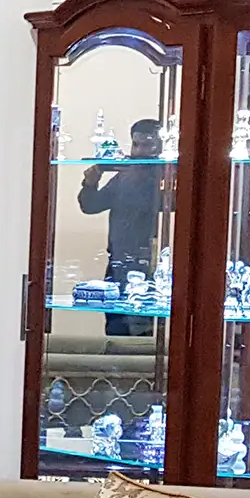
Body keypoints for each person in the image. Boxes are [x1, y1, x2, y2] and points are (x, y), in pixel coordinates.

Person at [78, 118, 169, 337]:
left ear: (160, 147)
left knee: (142, 334)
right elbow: (91, 206)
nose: (140, 151)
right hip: (117, 263)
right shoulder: (124, 178)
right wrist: (90, 182)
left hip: (151, 267)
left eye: (148, 145)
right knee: (116, 329)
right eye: (136, 145)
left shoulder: (166, 178)